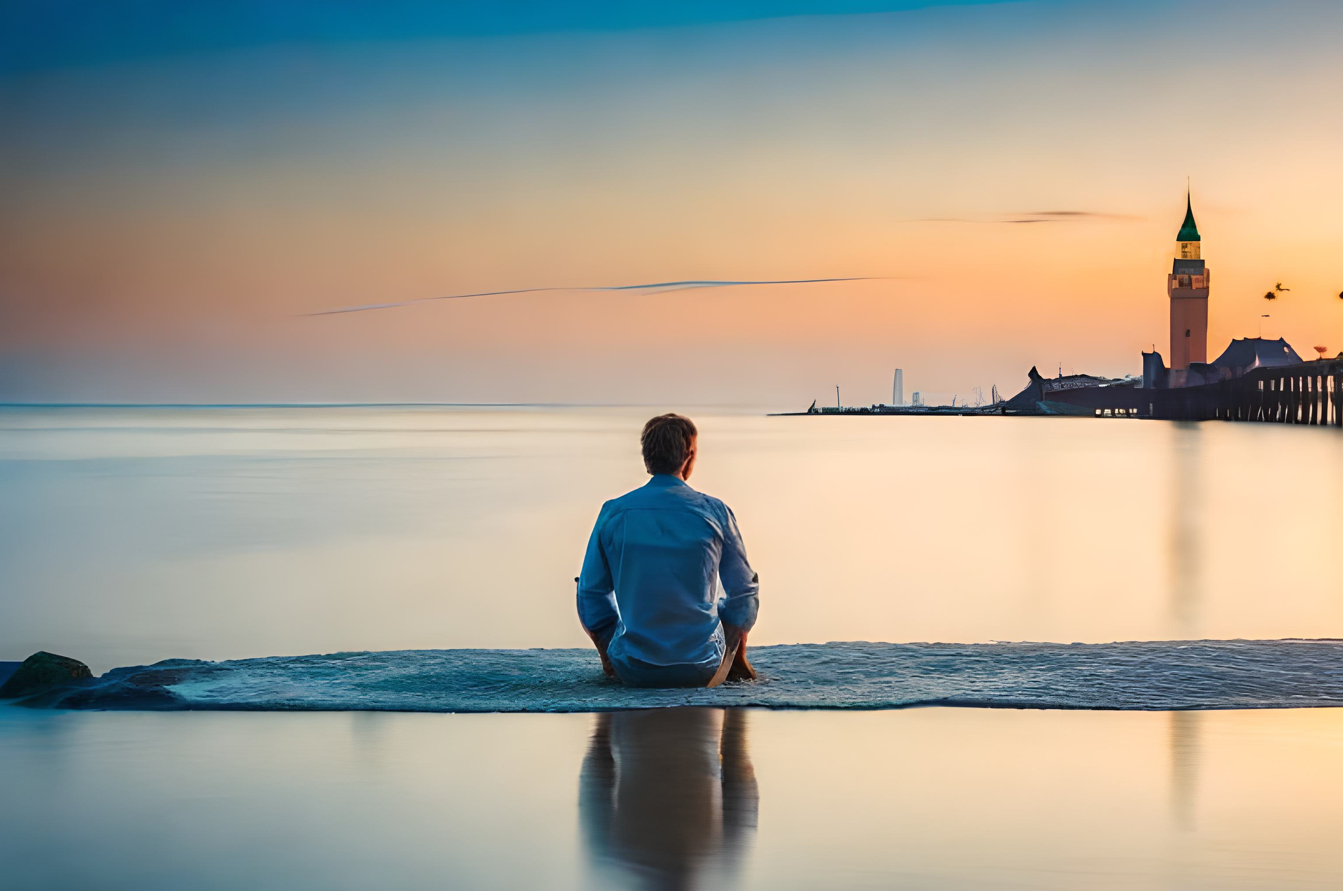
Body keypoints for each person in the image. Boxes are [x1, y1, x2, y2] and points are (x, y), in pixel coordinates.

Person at [576, 413, 759, 688]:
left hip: (633, 669)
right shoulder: (715, 512)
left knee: (586, 584)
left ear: (647, 458)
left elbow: (591, 594)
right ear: (689, 455)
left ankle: (611, 660)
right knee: (739, 593)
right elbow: (744, 593)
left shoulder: (613, 512)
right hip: (703, 667)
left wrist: (609, 647)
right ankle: (735, 661)